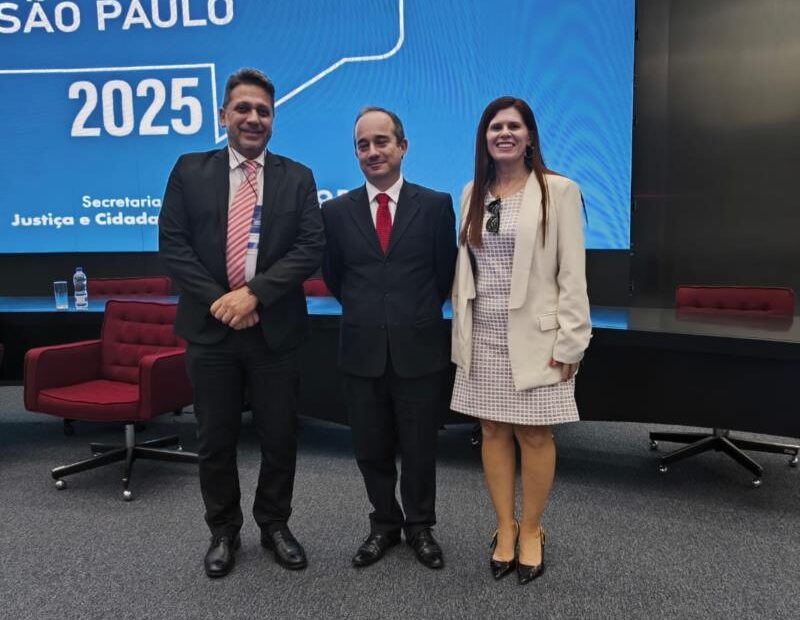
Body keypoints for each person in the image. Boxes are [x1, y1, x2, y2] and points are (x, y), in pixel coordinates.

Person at [158, 68, 324, 578]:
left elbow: (309, 248)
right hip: (211, 333)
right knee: (215, 439)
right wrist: (223, 302)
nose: (253, 118)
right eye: (243, 109)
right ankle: (223, 531)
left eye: (263, 111)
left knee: (280, 437)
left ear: (273, 119)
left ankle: (274, 524)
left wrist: (254, 294)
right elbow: (174, 246)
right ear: (223, 115)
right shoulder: (189, 170)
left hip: (275, 331)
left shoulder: (298, 177)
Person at [450, 96, 591, 584]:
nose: (504, 133)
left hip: (537, 337)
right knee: (491, 429)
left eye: (514, 126)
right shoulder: (473, 193)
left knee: (534, 434)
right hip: (483, 333)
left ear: (530, 136)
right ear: (484, 138)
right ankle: (504, 527)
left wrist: (572, 342)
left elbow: (573, 273)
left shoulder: (558, 191)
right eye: (495, 127)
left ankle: (531, 528)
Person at [321, 107, 457, 569]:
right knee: (371, 448)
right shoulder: (335, 212)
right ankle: (383, 523)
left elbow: (443, 274)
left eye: (382, 141)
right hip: (361, 351)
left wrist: (407, 315)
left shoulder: (435, 205)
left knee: (419, 448)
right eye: (363, 145)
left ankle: (420, 526)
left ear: (402, 146)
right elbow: (335, 277)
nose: (373, 151)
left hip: (418, 349)